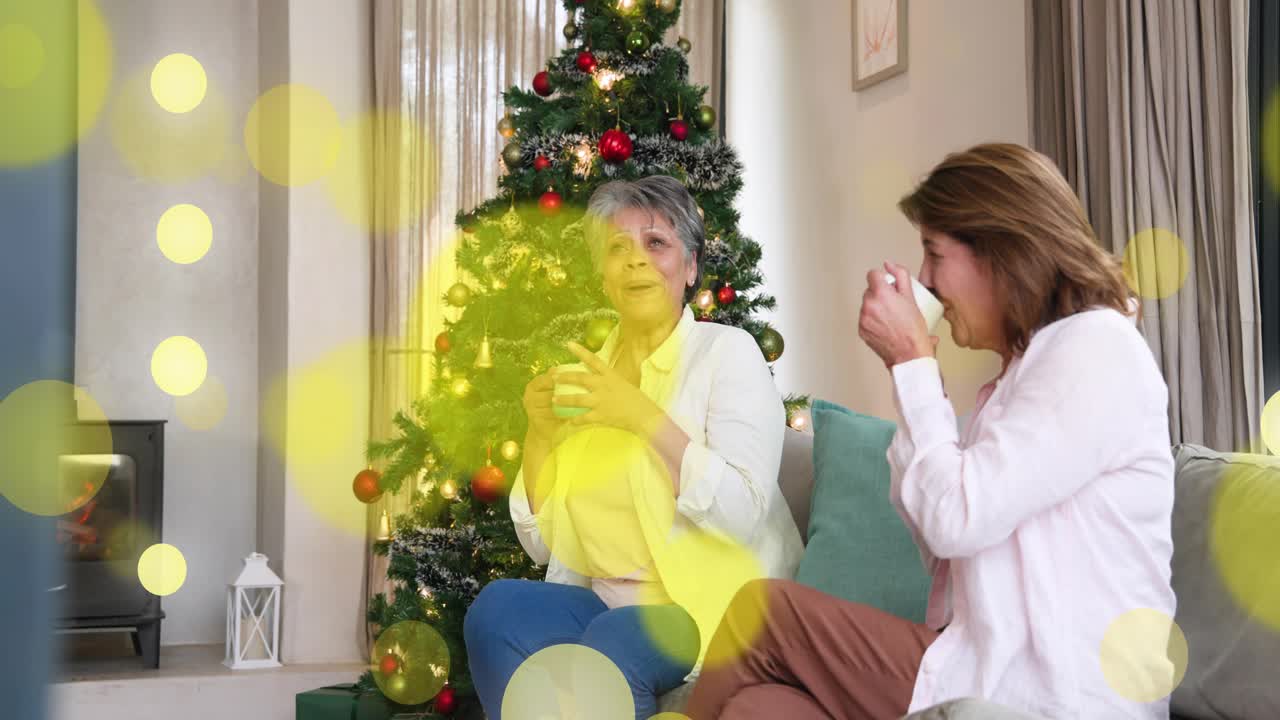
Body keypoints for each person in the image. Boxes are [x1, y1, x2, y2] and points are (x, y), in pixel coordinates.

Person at [686, 143, 1176, 720]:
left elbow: (954, 521)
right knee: (760, 707)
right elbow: (937, 543)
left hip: (1050, 686)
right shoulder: (1023, 376)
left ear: (1000, 252)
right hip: (984, 660)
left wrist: (909, 364)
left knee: (760, 612)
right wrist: (922, 381)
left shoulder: (1095, 348)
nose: (925, 279)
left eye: (934, 253)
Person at [465, 175, 804, 720]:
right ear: (603, 274)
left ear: (690, 267)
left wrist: (641, 416)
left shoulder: (728, 354)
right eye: (617, 248)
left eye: (656, 244)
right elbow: (541, 544)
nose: (634, 261)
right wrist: (541, 432)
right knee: (497, 610)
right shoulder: (582, 375)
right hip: (602, 601)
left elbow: (742, 512)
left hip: (700, 606)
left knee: (614, 642)